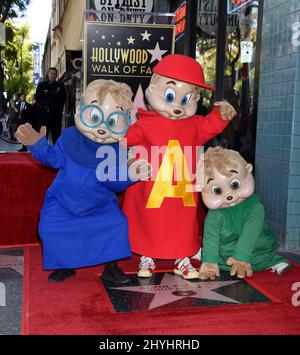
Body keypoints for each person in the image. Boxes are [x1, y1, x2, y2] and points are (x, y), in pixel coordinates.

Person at [15, 79, 151, 284]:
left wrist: (130, 174)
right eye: (96, 116)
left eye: (113, 121)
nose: (103, 128)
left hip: (100, 204)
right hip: (62, 201)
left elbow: (114, 184)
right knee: (50, 227)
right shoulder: (69, 137)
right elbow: (53, 158)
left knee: (117, 224)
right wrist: (38, 145)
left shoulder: (118, 149)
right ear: (81, 110)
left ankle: (111, 268)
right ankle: (64, 266)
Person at [122, 54, 236, 279]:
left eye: (185, 99)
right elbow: (123, 138)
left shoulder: (194, 125)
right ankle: (148, 254)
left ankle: (181, 257)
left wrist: (221, 115)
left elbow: (210, 126)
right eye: (171, 95)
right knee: (150, 220)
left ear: (196, 98)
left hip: (183, 188)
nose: (176, 107)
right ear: (153, 89)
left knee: (182, 223)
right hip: (152, 187)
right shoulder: (144, 123)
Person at [198, 147, 290, 280]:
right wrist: (210, 261)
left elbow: (250, 234)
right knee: (212, 253)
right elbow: (211, 236)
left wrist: (241, 258)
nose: (229, 196)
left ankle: (272, 261)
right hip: (226, 251)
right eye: (217, 190)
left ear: (248, 170)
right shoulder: (215, 213)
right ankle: (208, 257)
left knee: (260, 256)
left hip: (256, 247)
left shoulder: (255, 208)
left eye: (235, 185)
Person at [35, 67, 66, 144]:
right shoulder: (41, 85)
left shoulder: (60, 86)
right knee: (43, 136)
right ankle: (43, 154)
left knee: (56, 136)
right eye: (51, 73)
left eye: (55, 74)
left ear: (57, 76)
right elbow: (37, 99)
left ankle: (55, 154)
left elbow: (63, 99)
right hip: (44, 114)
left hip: (56, 114)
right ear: (48, 74)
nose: (53, 75)